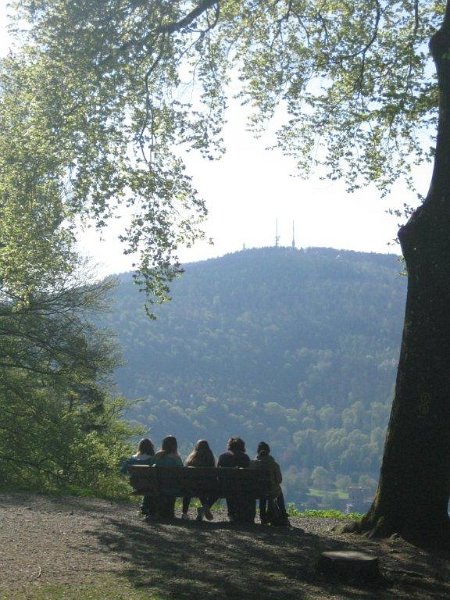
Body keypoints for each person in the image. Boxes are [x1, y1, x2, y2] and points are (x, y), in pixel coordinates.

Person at [216, 437, 255, 523]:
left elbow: (217, 473)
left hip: (224, 487)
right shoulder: (245, 458)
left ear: (230, 445)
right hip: (242, 488)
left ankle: (231, 514)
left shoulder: (223, 457)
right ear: (242, 446)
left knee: (229, 485)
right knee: (236, 486)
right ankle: (237, 514)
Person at [252, 441, 290, 526]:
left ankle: (263, 517)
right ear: (268, 451)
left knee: (262, 494)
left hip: (256, 491)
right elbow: (279, 480)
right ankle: (283, 514)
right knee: (279, 492)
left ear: (258, 451)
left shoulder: (253, 463)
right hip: (271, 491)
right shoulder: (274, 464)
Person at [182, 439, 216, 522]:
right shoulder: (210, 459)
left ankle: (184, 513)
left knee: (194, 485)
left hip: (191, 488)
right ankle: (205, 507)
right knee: (214, 491)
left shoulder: (191, 459)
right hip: (207, 487)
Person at [121, 438, 156, 516]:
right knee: (150, 484)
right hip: (150, 485)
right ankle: (147, 508)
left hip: (135, 484)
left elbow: (122, 470)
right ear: (151, 447)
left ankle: (144, 507)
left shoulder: (131, 459)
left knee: (147, 484)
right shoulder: (152, 459)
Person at [153, 435, 183, 518]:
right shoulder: (176, 458)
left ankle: (159, 511)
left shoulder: (157, 456)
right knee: (172, 484)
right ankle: (170, 512)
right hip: (173, 485)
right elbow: (182, 472)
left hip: (158, 484)